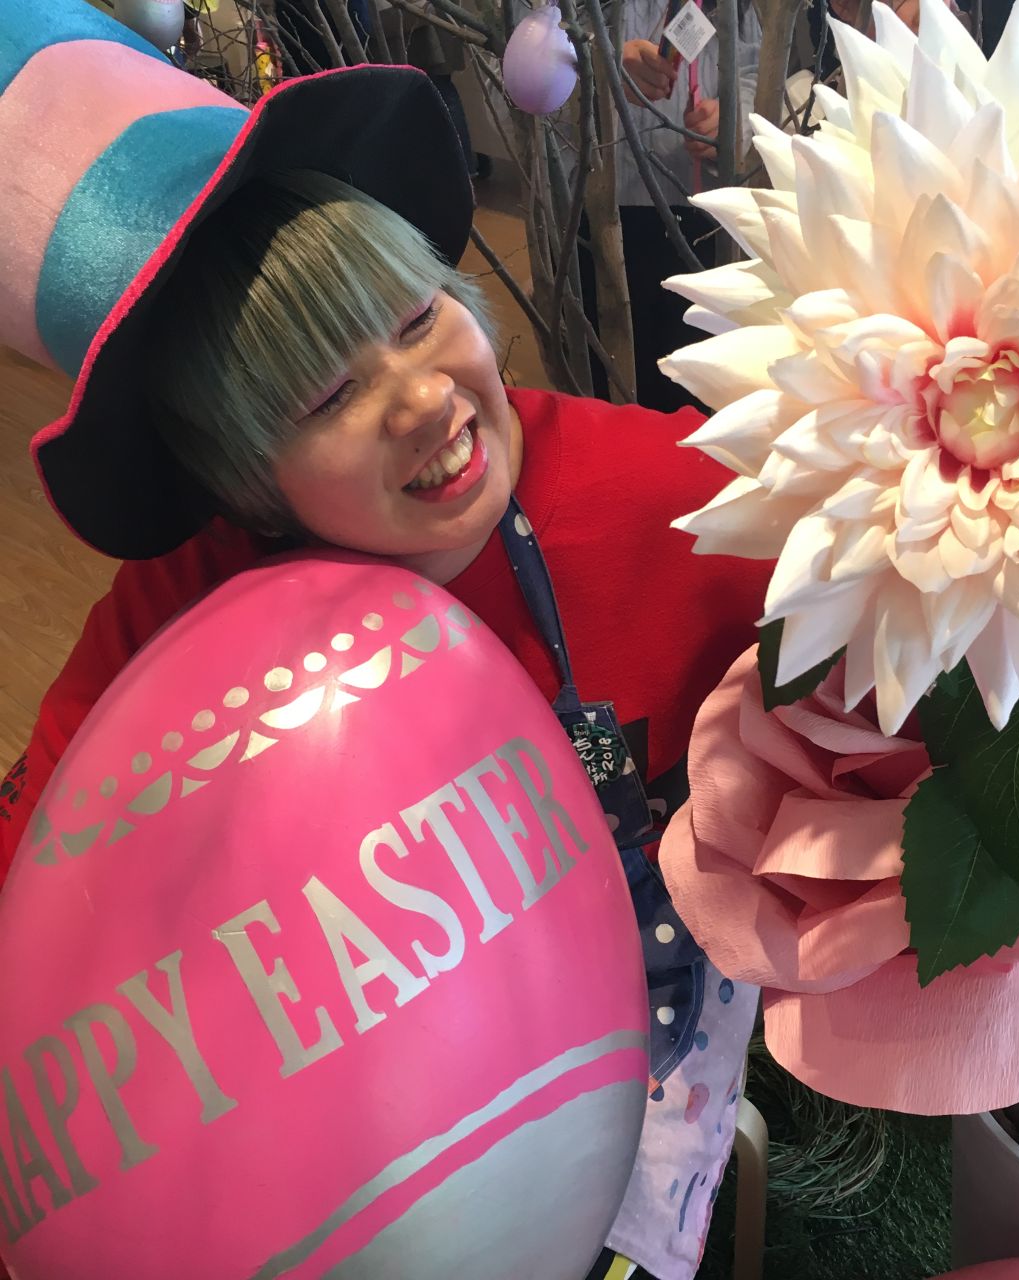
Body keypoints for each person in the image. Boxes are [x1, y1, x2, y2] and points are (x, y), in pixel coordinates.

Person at [0, 5, 769, 1277]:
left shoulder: (662, 496)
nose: (421, 400)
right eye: (327, 395)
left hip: (645, 1101)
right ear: (244, 483)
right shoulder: (169, 627)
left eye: (417, 319)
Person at [576, 0, 762, 413]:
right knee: (616, 395)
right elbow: (517, 74)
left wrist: (734, 118)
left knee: (698, 395)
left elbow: (753, 70)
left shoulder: (736, 8)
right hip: (603, 216)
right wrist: (597, 64)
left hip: (706, 220)